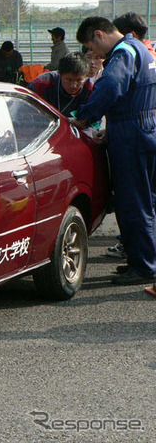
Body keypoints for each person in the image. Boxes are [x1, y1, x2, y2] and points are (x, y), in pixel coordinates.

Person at [71, 17, 156, 288]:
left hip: (131, 134)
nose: (93, 55)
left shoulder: (122, 53)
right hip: (145, 127)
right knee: (147, 200)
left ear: (99, 35)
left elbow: (111, 87)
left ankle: (143, 266)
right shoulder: (141, 49)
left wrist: (85, 117)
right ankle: (142, 260)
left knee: (133, 202)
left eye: (91, 47)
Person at [28, 52, 93, 117]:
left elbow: (93, 121)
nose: (73, 85)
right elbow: (26, 113)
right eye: (68, 80)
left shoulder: (89, 89)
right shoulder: (42, 84)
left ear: (86, 76)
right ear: (60, 75)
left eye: (79, 80)